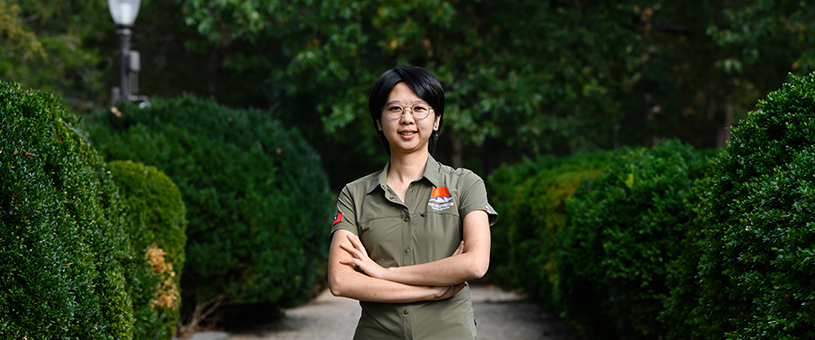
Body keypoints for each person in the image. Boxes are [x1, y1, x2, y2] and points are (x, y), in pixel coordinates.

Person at [328, 65, 498, 340]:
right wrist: (429, 290)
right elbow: (340, 281)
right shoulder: (354, 195)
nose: (407, 118)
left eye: (419, 108)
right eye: (394, 109)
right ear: (379, 121)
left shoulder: (466, 184)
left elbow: (476, 264)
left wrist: (382, 274)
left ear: (436, 120)